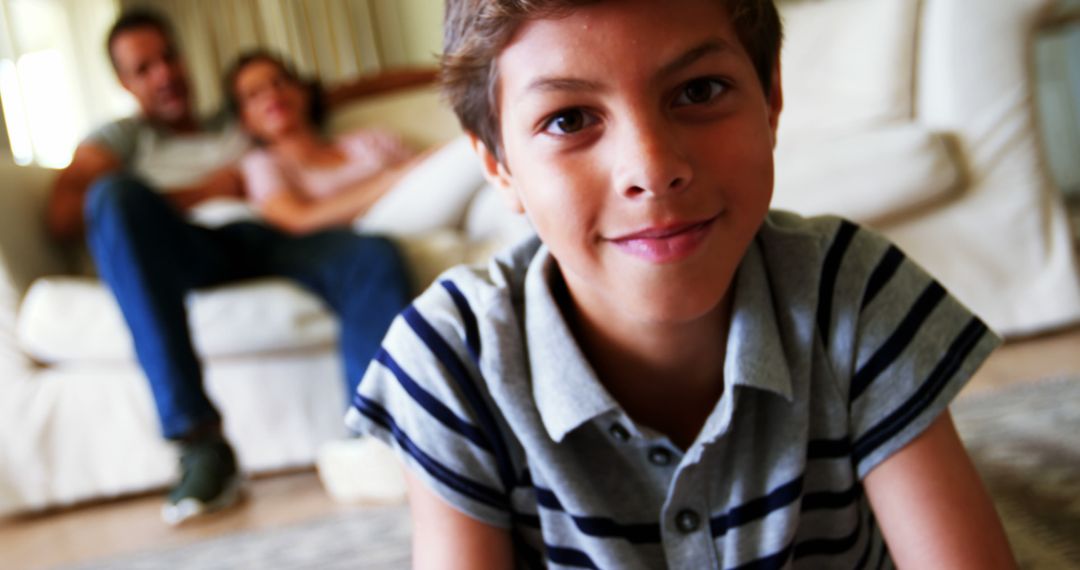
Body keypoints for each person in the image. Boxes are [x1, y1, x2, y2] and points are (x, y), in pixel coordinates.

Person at [343, 0, 1018, 568]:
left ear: (771, 99)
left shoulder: (852, 290)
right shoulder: (450, 357)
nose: (652, 167)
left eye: (697, 91)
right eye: (570, 119)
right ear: (498, 163)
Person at [47, 10, 414, 526]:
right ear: (124, 83)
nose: (164, 74)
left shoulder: (236, 114)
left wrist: (449, 69)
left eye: (169, 57)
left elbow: (350, 89)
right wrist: (202, 192)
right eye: (144, 68)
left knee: (370, 252)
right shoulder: (122, 138)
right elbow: (64, 214)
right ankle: (199, 443)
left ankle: (375, 434)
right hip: (190, 248)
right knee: (114, 198)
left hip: (268, 238)